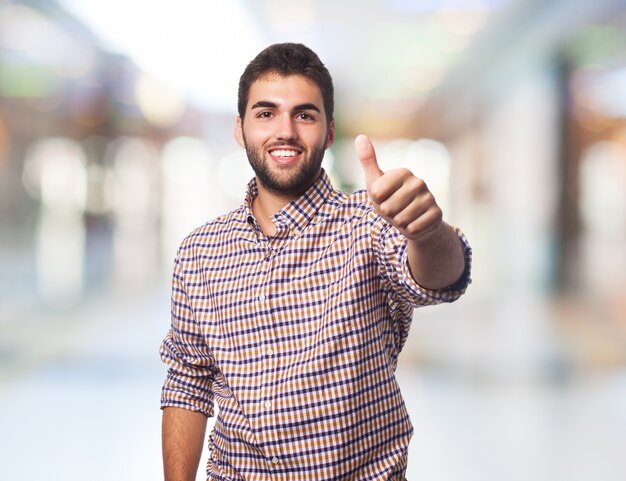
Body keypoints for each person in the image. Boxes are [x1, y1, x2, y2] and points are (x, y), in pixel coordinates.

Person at [160, 42, 471, 481]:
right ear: (240, 129)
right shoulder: (200, 250)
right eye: (265, 113)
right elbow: (187, 382)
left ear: (328, 132)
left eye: (304, 115)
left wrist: (428, 233)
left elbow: (442, 277)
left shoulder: (372, 225)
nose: (284, 131)